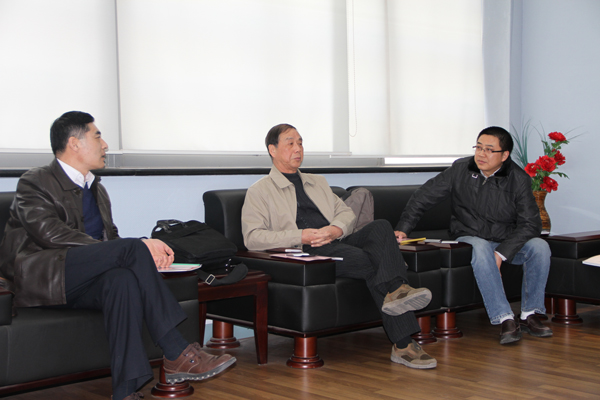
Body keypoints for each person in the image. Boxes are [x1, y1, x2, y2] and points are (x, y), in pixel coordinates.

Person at [0, 112, 235, 400]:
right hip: (42, 277)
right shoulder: (35, 181)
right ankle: (176, 349)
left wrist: (135, 249)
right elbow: (50, 234)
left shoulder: (97, 189)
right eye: (97, 136)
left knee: (121, 280)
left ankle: (125, 392)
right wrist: (134, 248)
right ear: (74, 143)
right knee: (134, 249)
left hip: (81, 280)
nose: (105, 145)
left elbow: (111, 241)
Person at [241, 123, 437, 369]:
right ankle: (403, 342)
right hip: (307, 250)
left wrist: (336, 229)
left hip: (336, 240)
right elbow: (253, 237)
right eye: (290, 143)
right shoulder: (259, 191)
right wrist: (301, 236)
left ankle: (398, 289)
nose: (298, 148)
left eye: (300, 143)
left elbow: (345, 212)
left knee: (381, 226)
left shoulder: (317, 182)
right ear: (272, 150)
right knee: (372, 261)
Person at [395, 126, 552, 345]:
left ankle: (530, 314)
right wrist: (404, 228)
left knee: (540, 247)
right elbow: (423, 196)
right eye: (478, 147)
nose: (481, 154)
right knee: (479, 247)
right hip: (469, 235)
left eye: (489, 149)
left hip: (504, 240)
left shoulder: (518, 178)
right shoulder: (460, 169)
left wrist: (502, 253)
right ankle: (504, 317)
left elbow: (531, 224)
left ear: (504, 155)